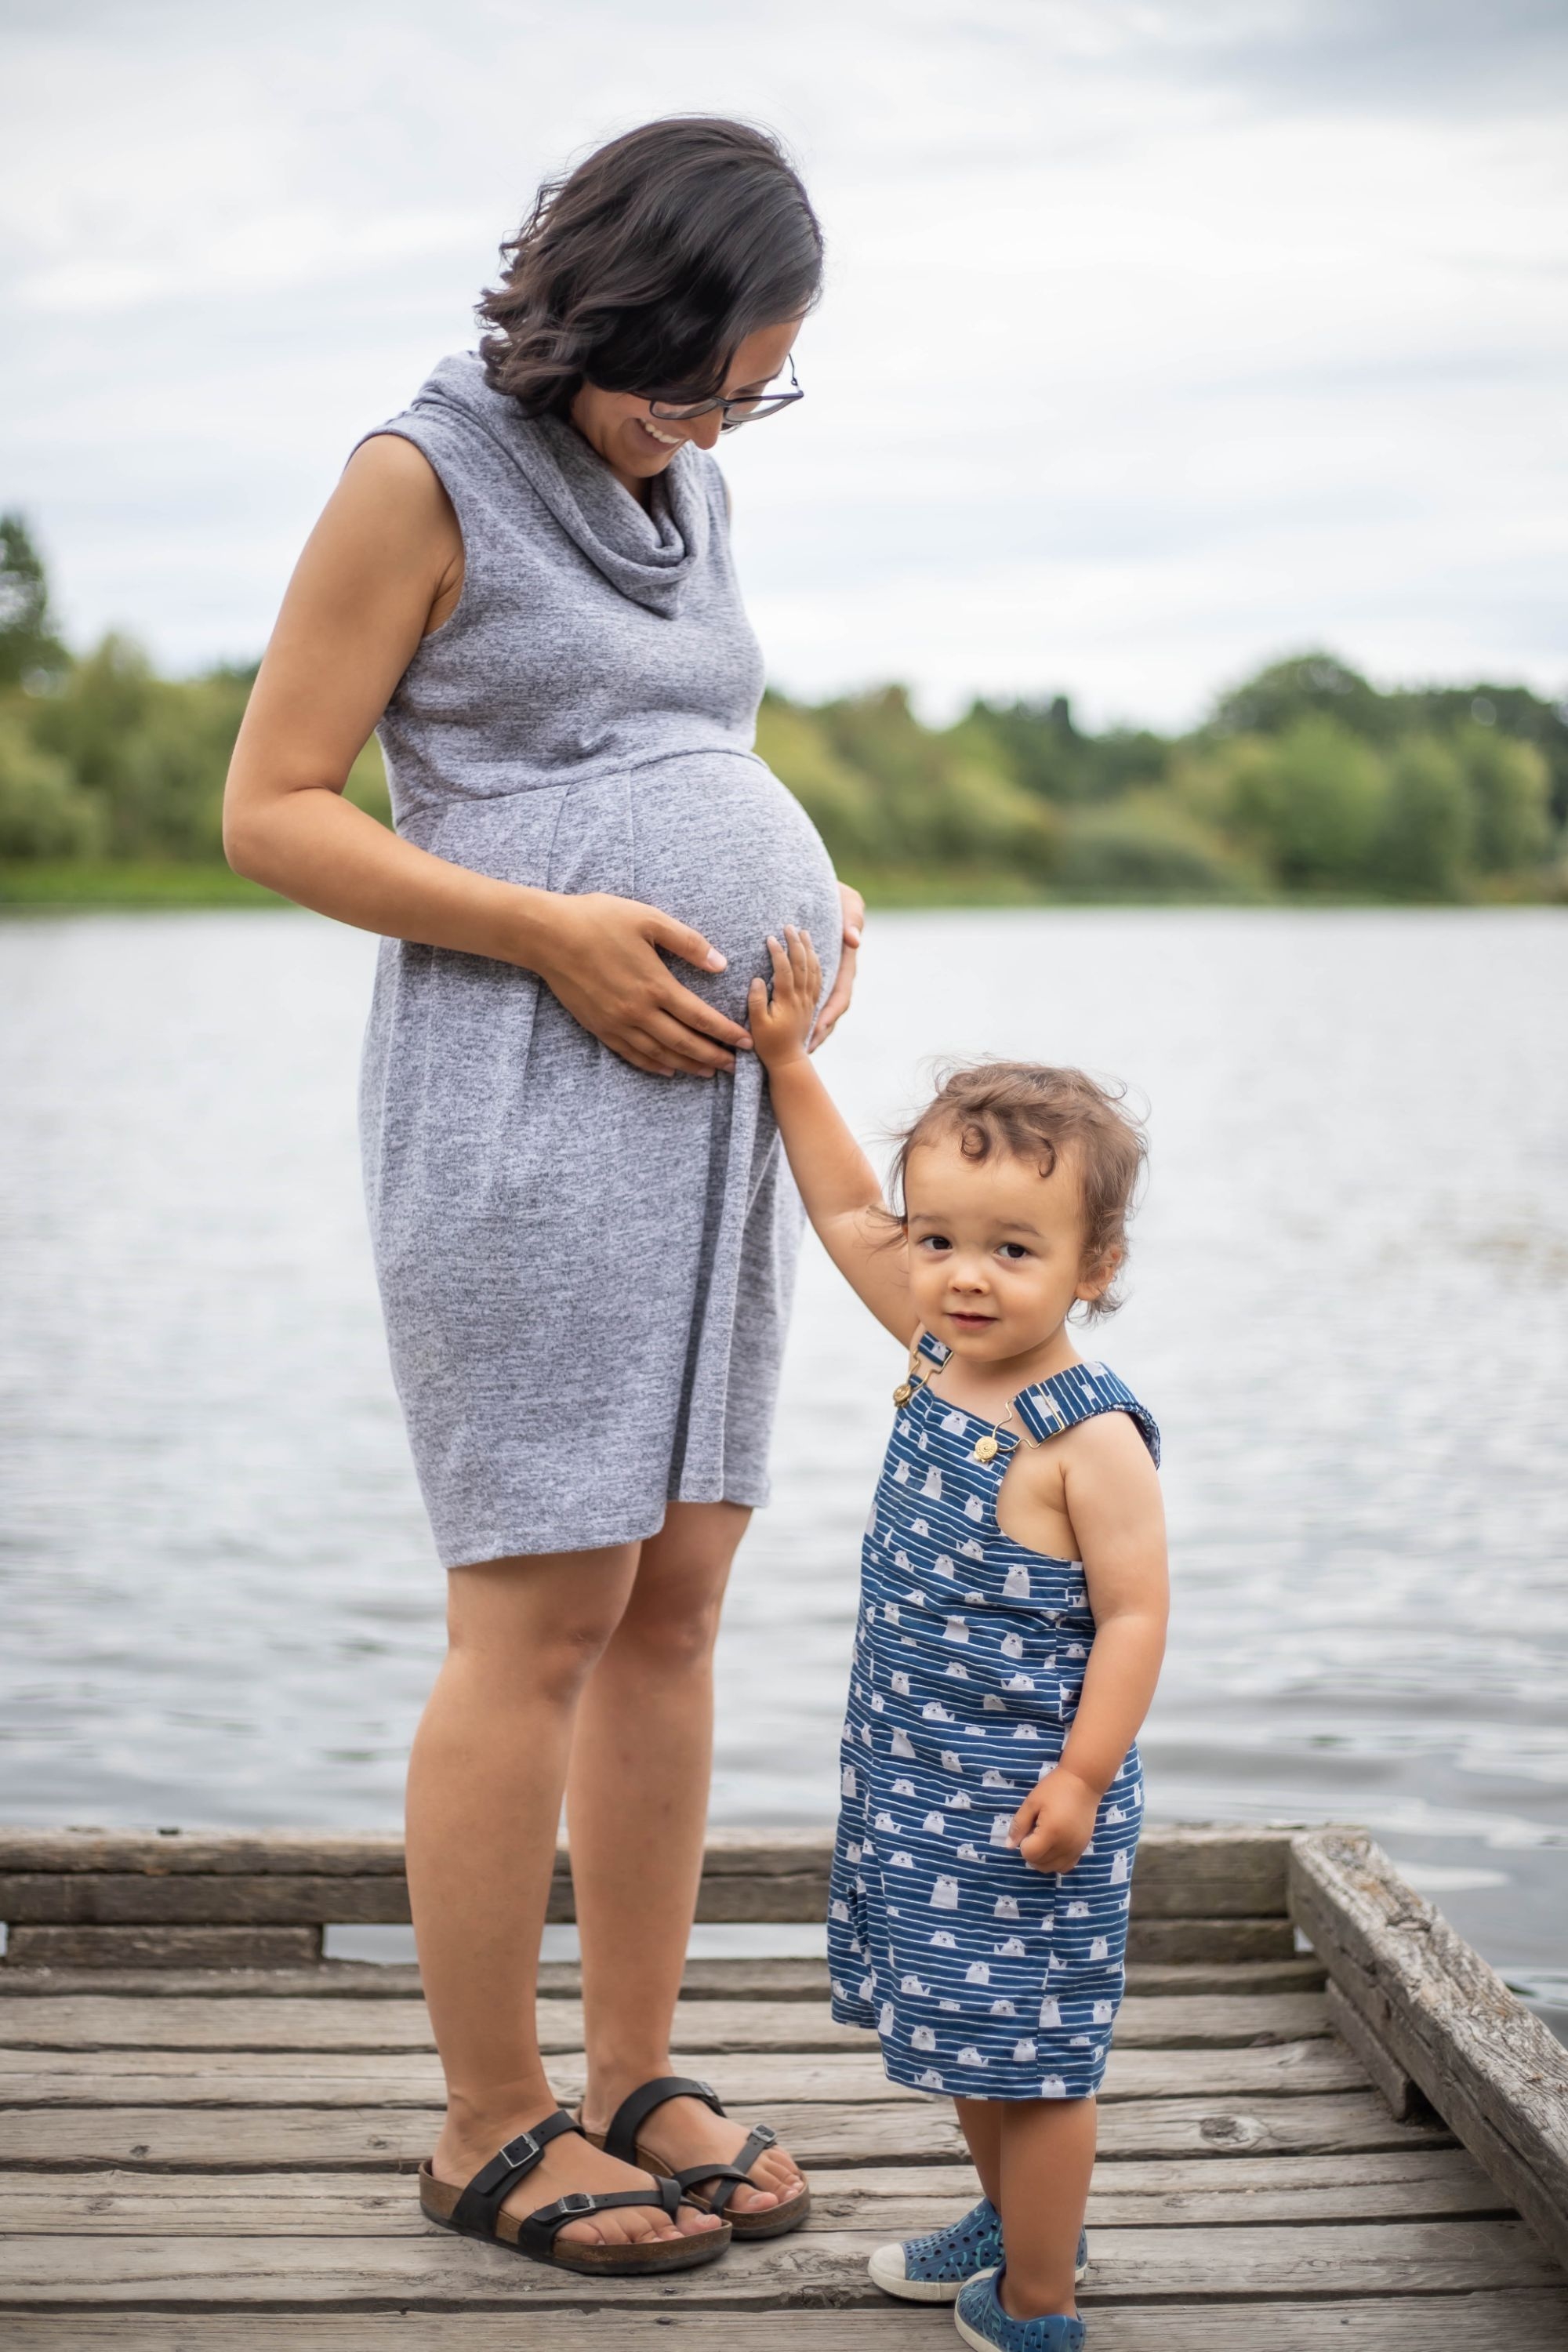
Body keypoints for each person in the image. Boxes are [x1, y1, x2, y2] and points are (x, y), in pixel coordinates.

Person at [223, 120, 864, 2275]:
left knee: (682, 1595)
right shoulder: (417, 478)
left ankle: (632, 2069)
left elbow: (667, 756)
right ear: (604, 311)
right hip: (522, 1094)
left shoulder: (688, 477)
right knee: (542, 1614)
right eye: (692, 383)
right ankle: (489, 2120)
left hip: (704, 1111)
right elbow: (274, 809)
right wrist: (557, 926)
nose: (710, 428)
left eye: (750, 396)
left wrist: (806, 888)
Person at [749, 928, 1169, 2351]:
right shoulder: (936, 1352)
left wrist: (1087, 1777)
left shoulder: (1085, 1433)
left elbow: (1137, 1615)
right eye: (943, 1243)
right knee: (967, 2041)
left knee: (1038, 2061)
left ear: (1092, 1267)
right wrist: (791, 1062)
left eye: (1012, 1250)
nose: (963, 1277)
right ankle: (1010, 2222)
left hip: (1030, 1798)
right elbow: (844, 1207)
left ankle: (1040, 2301)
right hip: (919, 1784)